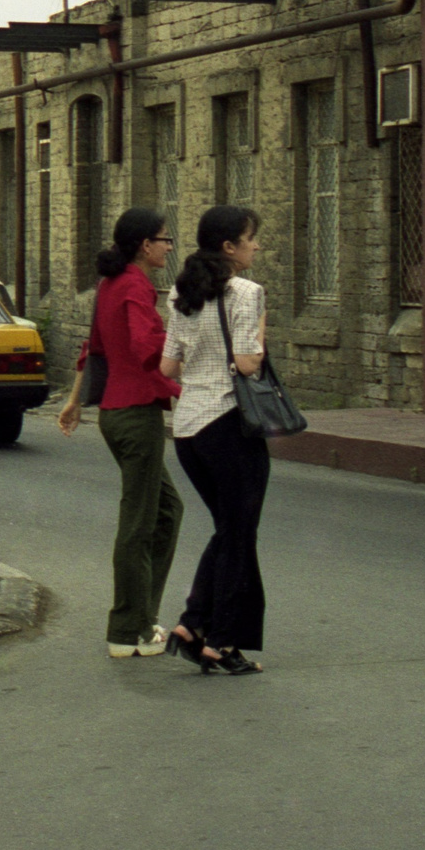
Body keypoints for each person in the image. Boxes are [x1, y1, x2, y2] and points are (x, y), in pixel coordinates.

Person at [57, 207, 182, 659]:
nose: (170, 247)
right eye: (165, 239)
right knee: (139, 523)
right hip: (135, 414)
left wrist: (74, 401)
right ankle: (129, 629)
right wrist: (181, 384)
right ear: (145, 245)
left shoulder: (111, 285)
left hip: (116, 413)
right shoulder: (134, 286)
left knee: (165, 512)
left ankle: (141, 620)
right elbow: (145, 348)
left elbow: (95, 350)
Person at [158, 204, 270, 676]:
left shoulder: (180, 292)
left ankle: (193, 626)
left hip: (188, 429)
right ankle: (218, 642)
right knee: (238, 532)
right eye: (251, 238)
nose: (256, 245)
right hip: (228, 423)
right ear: (229, 247)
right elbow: (248, 364)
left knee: (230, 529)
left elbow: (168, 368)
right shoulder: (246, 292)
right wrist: (261, 336)